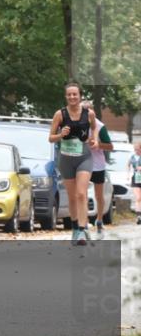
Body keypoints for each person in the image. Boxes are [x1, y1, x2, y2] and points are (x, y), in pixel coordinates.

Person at [48, 82, 97, 246]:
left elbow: (94, 128)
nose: (72, 97)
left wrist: (94, 139)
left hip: (84, 158)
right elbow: (50, 138)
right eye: (69, 94)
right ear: (66, 96)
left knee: (81, 194)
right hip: (66, 160)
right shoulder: (59, 114)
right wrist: (61, 134)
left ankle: (82, 229)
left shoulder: (89, 114)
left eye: (75, 94)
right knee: (72, 197)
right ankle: (76, 228)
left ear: (80, 95)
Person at [81, 100, 114, 238]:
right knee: (82, 194)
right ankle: (85, 222)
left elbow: (110, 146)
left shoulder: (100, 127)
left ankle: (99, 220)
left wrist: (98, 144)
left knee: (98, 196)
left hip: (98, 165)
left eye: (88, 110)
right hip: (82, 164)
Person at [129, 141, 141, 225]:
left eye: (137, 149)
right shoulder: (132, 157)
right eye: (135, 149)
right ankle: (138, 216)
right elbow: (128, 165)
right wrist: (127, 174)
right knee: (138, 198)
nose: (136, 151)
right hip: (136, 178)